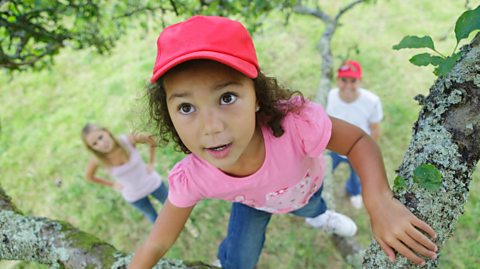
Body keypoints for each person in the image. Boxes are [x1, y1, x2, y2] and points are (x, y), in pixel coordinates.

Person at [128, 16, 437, 269]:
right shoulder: (193, 176)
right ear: (169, 115)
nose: (211, 126)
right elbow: (157, 241)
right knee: (238, 259)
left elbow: (357, 141)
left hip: (306, 189)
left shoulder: (295, 126)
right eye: (186, 108)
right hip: (254, 205)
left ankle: (322, 218)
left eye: (227, 97)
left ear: (257, 97)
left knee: (312, 209)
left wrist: (379, 201)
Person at [82, 123, 168, 223]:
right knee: (152, 216)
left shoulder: (127, 141)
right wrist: (112, 184)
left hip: (151, 182)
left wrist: (151, 162)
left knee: (171, 204)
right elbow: (89, 176)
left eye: (100, 137)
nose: (101, 144)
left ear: (107, 132)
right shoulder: (98, 160)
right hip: (133, 195)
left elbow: (150, 139)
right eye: (94, 144)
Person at [326, 60, 383, 209]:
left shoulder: (371, 101)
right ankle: (319, 193)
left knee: (357, 174)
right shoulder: (329, 97)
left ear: (360, 81)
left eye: (353, 80)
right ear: (337, 80)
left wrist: (369, 151)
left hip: (358, 149)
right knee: (323, 171)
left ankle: (354, 191)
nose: (348, 85)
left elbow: (375, 128)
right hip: (334, 147)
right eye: (344, 80)